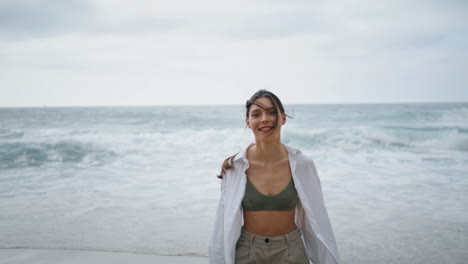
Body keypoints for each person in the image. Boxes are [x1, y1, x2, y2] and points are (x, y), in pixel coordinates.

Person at [209, 90, 340, 264]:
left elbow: (318, 220)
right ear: (248, 122)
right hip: (248, 251)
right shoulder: (234, 167)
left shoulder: (302, 165)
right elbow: (222, 223)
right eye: (256, 114)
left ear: (283, 118)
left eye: (271, 112)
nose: (264, 119)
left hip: (291, 251)